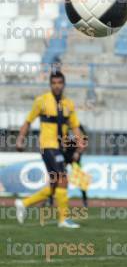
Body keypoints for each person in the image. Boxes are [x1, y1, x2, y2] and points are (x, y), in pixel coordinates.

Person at [15, 70, 86, 228]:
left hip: (60, 147)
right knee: (63, 178)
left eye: (59, 83)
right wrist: (20, 139)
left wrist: (80, 141)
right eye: (54, 83)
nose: (57, 86)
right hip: (48, 146)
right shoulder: (41, 101)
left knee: (55, 186)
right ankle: (63, 220)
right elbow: (28, 121)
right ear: (50, 84)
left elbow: (74, 126)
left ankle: (24, 203)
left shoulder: (69, 104)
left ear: (64, 84)